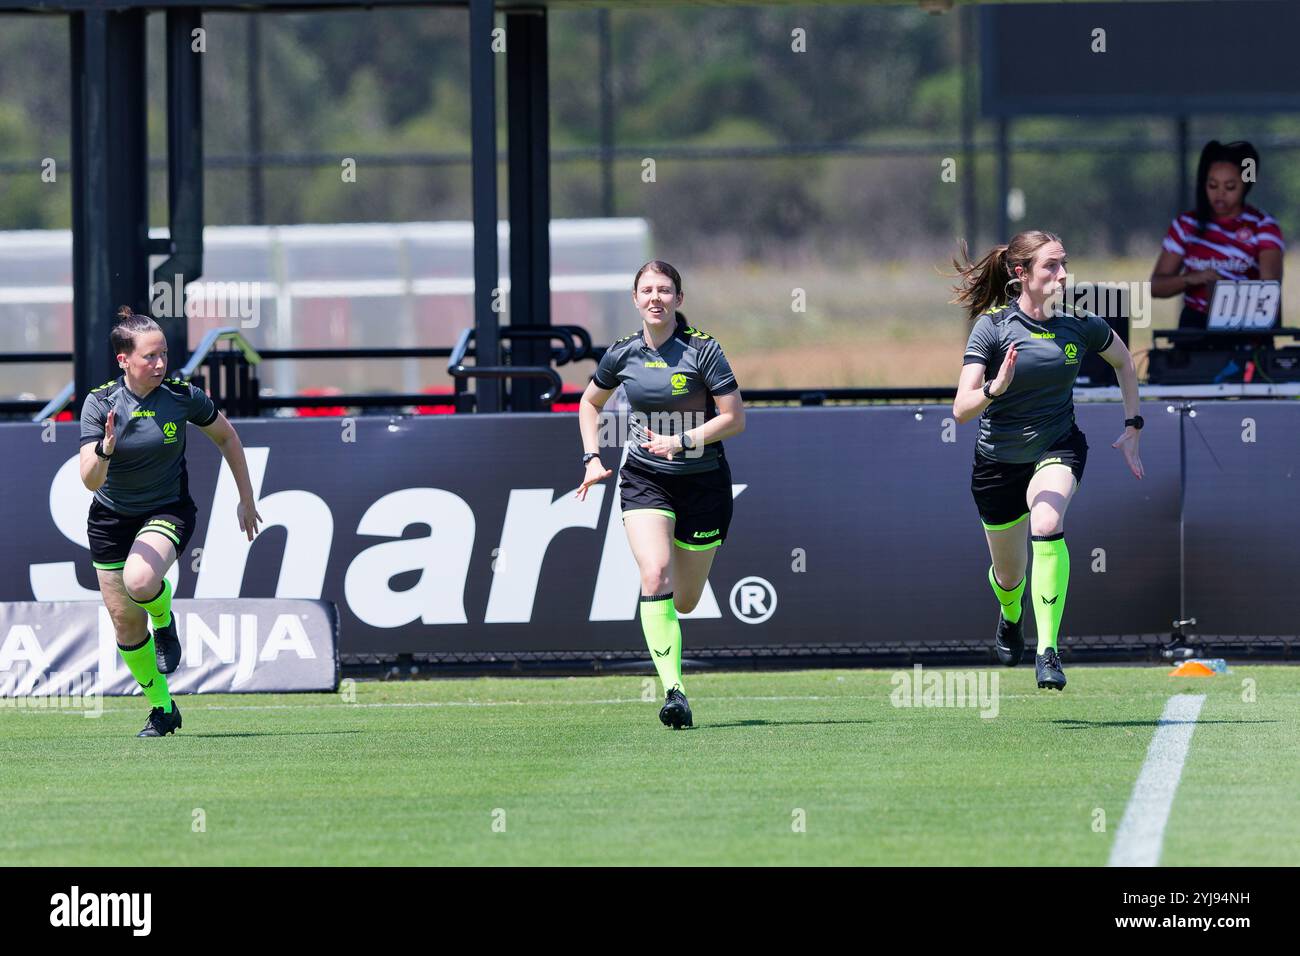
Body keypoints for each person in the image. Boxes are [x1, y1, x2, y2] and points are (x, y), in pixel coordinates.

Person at [951, 231, 1143, 690]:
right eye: (1051, 266)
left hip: (1057, 446)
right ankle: (1011, 613)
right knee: (1009, 576)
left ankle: (1048, 651)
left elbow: (1124, 362)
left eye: (1064, 264)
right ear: (1021, 275)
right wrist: (997, 385)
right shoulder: (992, 327)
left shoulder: (1079, 322)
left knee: (1046, 522)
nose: (1062, 275)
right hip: (997, 462)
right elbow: (961, 409)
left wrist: (1134, 425)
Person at [575, 261, 745, 728]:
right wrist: (592, 457)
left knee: (685, 601)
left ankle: (675, 650)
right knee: (654, 574)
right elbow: (589, 403)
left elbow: (735, 418)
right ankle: (675, 692)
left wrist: (683, 441)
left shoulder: (703, 350)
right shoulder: (622, 354)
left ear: (679, 300)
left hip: (703, 481)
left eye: (665, 290)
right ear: (635, 299)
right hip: (645, 478)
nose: (656, 298)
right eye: (647, 290)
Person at [79, 306, 262, 737]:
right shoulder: (100, 402)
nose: (160, 363)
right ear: (123, 359)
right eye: (150, 357)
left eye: (164, 354)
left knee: (140, 581)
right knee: (125, 621)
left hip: (166, 509)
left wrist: (246, 497)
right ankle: (163, 709)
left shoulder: (181, 396)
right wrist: (105, 449)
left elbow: (226, 436)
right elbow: (89, 481)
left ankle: (164, 621)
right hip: (109, 518)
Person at [1151, 140, 1284, 330]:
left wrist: (1229, 292)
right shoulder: (1186, 225)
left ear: (1246, 185)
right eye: (1212, 186)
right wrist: (1191, 279)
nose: (1220, 194)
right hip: (1195, 328)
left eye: (1230, 187)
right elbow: (1156, 287)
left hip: (1245, 329)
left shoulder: (1263, 226)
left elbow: (1269, 292)